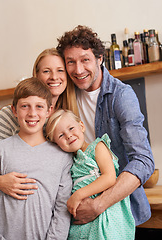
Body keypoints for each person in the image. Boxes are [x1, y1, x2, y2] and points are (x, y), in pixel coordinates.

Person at [56, 25, 155, 227]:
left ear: (100, 58)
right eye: (71, 62)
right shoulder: (66, 96)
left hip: (120, 210)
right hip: (78, 213)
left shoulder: (121, 95)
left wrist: (98, 204)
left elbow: (144, 161)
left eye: (85, 60)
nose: (78, 69)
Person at [0, 78, 73, 240]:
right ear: (14, 110)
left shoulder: (62, 156)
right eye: (25, 106)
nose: (32, 113)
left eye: (39, 106)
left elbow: (62, 209)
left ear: (49, 111)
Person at [0, 48, 78, 200]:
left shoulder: (67, 120)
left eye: (60, 70)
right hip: (10, 205)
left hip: (52, 207)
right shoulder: (8, 115)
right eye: (46, 71)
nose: (54, 77)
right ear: (36, 76)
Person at [45, 109, 135, 240]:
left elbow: (109, 178)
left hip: (106, 213)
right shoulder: (70, 163)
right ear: (55, 144)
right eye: (60, 136)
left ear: (81, 126)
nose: (68, 136)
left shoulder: (97, 147)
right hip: (83, 221)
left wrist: (78, 195)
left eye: (71, 128)